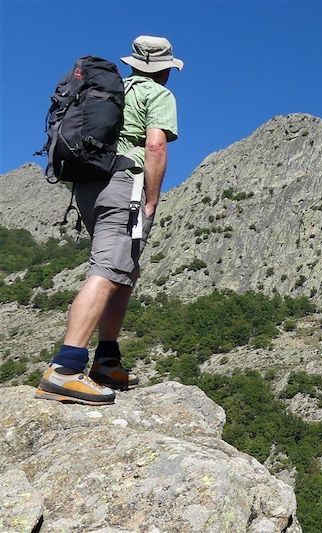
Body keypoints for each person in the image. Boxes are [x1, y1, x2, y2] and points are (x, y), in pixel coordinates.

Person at [35, 36, 182, 405]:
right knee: (108, 270)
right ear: (165, 68)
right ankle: (65, 370)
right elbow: (155, 146)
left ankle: (107, 361)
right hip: (125, 185)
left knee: (124, 271)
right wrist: (151, 199)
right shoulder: (157, 95)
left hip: (89, 187)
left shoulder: (109, 89)